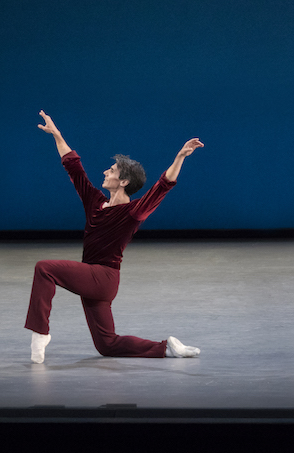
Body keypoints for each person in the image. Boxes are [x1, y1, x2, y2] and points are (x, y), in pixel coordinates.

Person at [25, 111, 203, 363]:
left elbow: (162, 187)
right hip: (94, 280)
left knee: (45, 269)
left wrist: (179, 157)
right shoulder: (96, 203)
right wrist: (57, 135)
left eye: (111, 170)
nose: (105, 172)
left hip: (103, 277)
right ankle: (167, 348)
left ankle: (40, 333)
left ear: (124, 181)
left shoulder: (132, 212)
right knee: (107, 345)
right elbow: (74, 168)